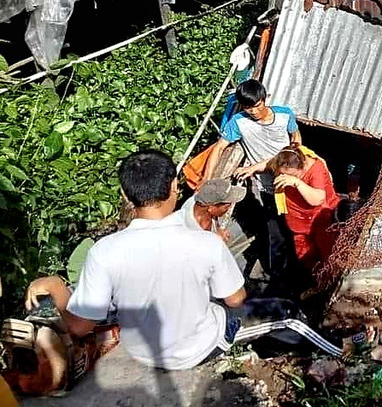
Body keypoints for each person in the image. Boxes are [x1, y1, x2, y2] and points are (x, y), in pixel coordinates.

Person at [24, 150, 340, 371]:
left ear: (126, 194)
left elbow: (80, 325)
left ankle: (270, 347)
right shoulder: (204, 243)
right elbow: (236, 299)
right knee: (285, 310)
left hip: (144, 353)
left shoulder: (102, 251)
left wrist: (53, 283)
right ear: (175, 187)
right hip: (198, 348)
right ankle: (341, 350)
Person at [203, 80, 302, 279]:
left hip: (291, 182)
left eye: (257, 105)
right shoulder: (239, 123)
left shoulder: (284, 115)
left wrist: (292, 155)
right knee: (275, 228)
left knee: (297, 224)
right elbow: (219, 148)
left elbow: (296, 137)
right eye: (248, 107)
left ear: (265, 99)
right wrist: (206, 179)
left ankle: (300, 263)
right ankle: (278, 273)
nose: (254, 111)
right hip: (268, 187)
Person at [268, 146, 341, 276]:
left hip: (321, 221)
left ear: (302, 167)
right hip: (299, 224)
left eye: (291, 175)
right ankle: (316, 282)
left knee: (328, 255)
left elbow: (317, 199)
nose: (285, 178)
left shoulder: (315, 169)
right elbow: (267, 163)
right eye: (282, 174)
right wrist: (251, 169)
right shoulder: (284, 161)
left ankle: (330, 283)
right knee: (306, 256)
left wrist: (297, 183)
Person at [178, 178, 246, 240]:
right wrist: (216, 240)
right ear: (211, 208)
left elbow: (213, 214)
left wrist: (218, 229)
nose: (230, 207)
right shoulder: (196, 233)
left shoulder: (200, 199)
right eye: (227, 206)